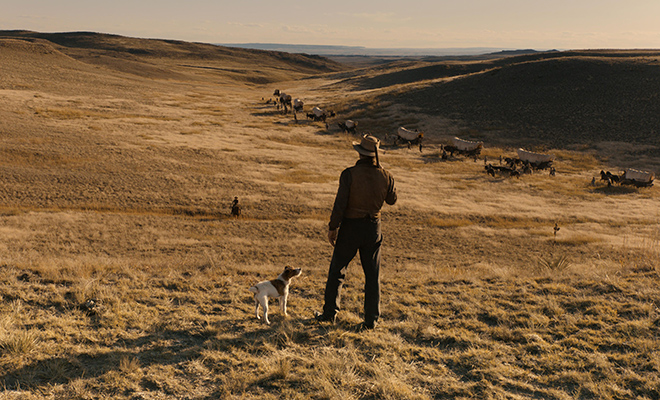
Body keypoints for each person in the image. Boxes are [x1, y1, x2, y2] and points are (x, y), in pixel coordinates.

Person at [315, 134, 397, 330]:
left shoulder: (349, 174)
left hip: (351, 226)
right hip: (373, 228)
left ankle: (329, 314)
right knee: (372, 275)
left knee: (337, 270)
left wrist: (333, 227)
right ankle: (371, 321)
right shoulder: (385, 175)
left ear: (360, 154)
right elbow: (392, 200)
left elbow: (340, 204)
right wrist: (385, 176)